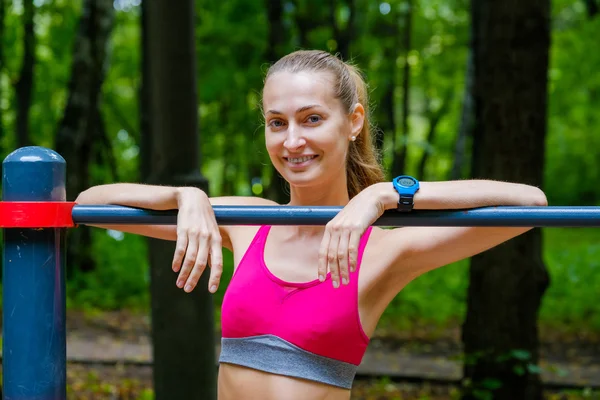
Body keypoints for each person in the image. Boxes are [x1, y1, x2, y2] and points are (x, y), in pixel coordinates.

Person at [76, 50, 548, 400]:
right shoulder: (247, 221)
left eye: (312, 118)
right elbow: (90, 203)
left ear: (354, 121)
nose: (293, 140)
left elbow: (530, 203)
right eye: (276, 122)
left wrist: (384, 195)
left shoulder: (384, 252)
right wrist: (185, 197)